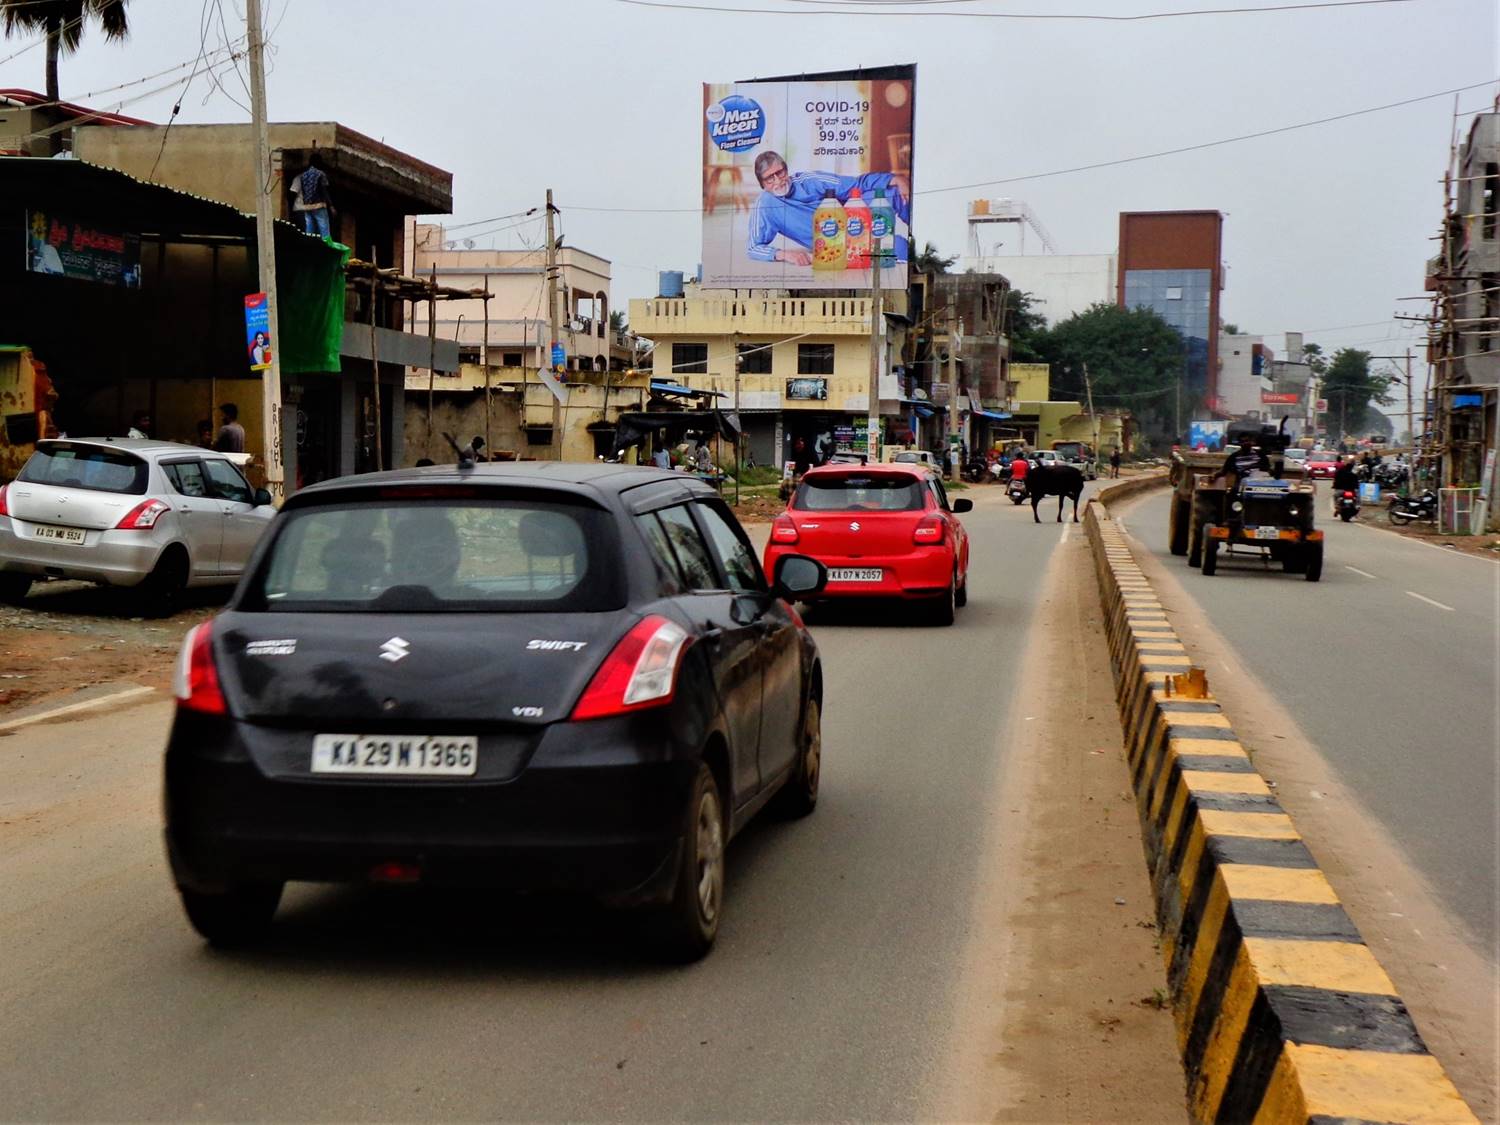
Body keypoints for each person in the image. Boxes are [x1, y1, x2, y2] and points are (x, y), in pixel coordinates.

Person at [746, 150, 911, 266]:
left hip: (853, 218)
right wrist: (785, 255)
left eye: (780, 173)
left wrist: (895, 179)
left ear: (786, 170)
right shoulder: (764, 205)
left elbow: (856, 184)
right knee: (901, 248)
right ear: (762, 184)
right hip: (835, 245)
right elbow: (754, 247)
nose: (777, 181)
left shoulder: (809, 180)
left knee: (893, 192)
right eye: (769, 179)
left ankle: (921, 230)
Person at [289, 155, 333, 239]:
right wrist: (331, 205)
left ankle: (309, 246)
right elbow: (324, 191)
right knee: (323, 231)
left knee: (308, 232)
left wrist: (291, 211)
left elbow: (292, 193)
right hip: (314, 207)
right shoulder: (320, 174)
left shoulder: (301, 176)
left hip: (304, 207)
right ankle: (325, 248)